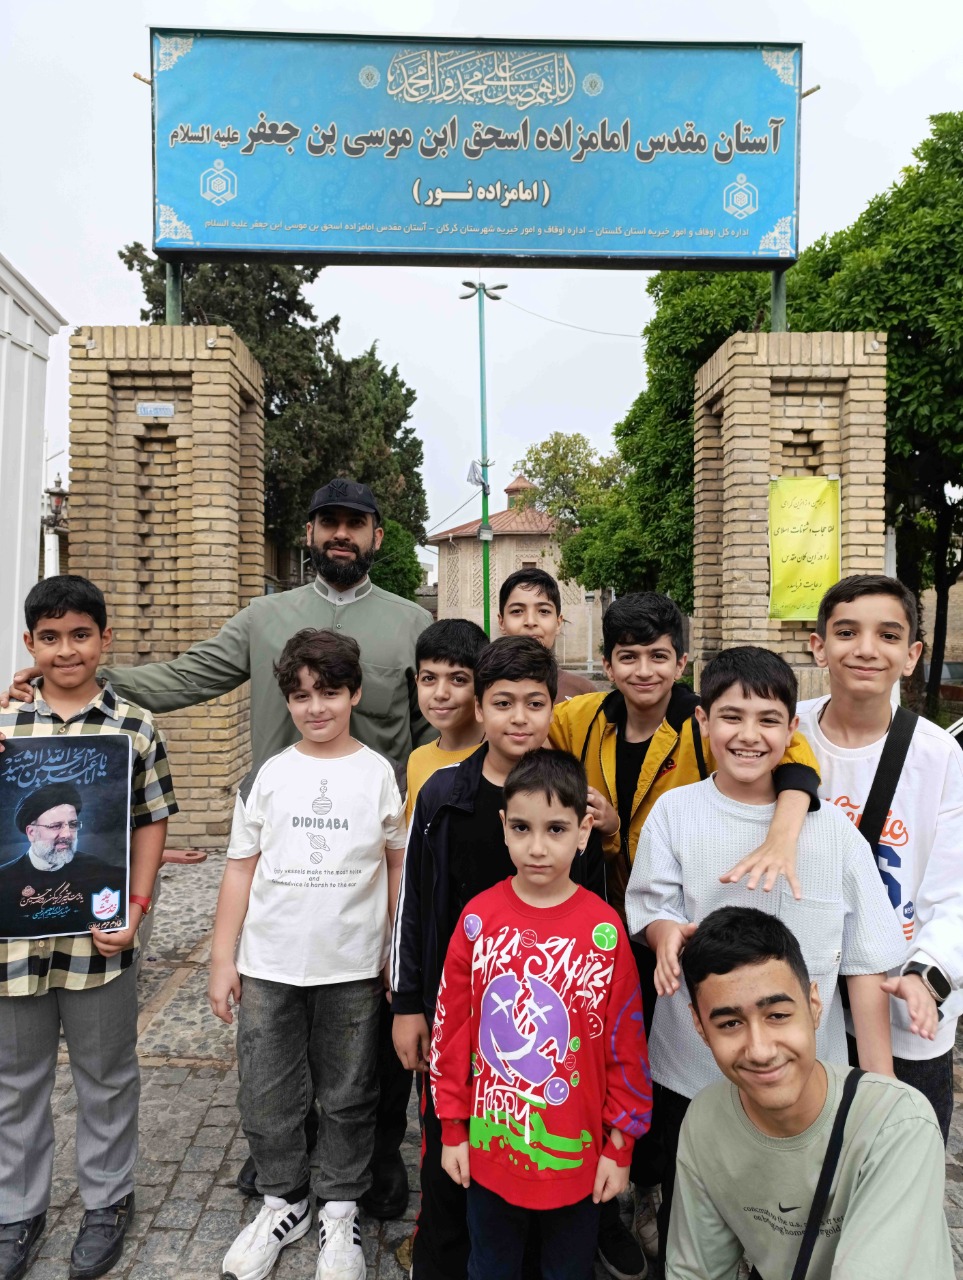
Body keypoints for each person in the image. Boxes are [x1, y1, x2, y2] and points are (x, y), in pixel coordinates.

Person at [4, 479, 430, 1217]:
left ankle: (376, 1152)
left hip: (369, 846)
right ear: (309, 532)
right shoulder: (264, 618)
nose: (341, 534)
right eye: (328, 522)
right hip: (275, 848)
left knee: (367, 999)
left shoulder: (412, 623)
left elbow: (433, 726)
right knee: (279, 1006)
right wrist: (76, 676)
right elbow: (185, 678)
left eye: (355, 524)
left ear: (377, 537)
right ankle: (283, 1150)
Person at [549, 593, 821, 1275]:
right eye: (628, 657)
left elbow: (793, 750)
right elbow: (516, 723)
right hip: (607, 917)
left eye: (659, 657)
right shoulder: (581, 718)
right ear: (607, 662)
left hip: (686, 924)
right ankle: (618, 1188)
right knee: (612, 1057)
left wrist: (786, 828)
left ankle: (667, 1189)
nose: (643, 671)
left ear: (682, 662)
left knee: (668, 1056)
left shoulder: (705, 721)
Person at [625, 645, 907, 1266]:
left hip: (807, 1080)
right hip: (690, 1069)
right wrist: (665, 935)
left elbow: (864, 963)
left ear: (791, 729)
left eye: (768, 720)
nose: (748, 735)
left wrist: (879, 1085)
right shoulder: (676, 811)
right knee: (691, 1218)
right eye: (731, 716)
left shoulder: (833, 833)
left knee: (798, 1223)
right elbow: (651, 903)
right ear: (703, 720)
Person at [390, 637, 604, 1280]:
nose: (519, 718)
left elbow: (594, 914)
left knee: (534, 1159)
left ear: (552, 708)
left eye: (535, 703)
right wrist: (408, 1004)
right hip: (457, 1021)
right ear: (479, 708)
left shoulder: (572, 799)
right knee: (449, 1159)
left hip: (544, 1030)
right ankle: (441, 1262)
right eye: (503, 703)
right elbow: (415, 905)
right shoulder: (443, 796)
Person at [210, 628, 406, 1280]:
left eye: (329, 692)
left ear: (354, 693)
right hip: (269, 966)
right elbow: (240, 868)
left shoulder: (380, 775)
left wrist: (395, 950)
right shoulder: (269, 776)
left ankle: (340, 1210)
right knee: (266, 1092)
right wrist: (222, 958)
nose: (315, 707)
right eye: (300, 696)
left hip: (352, 966)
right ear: (287, 701)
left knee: (349, 1094)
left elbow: (396, 866)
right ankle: (284, 1200)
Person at [0, 575, 176, 1280]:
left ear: (105, 638)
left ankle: (107, 1200)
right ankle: (18, 1209)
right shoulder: (5, 725)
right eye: (49, 637)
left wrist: (137, 907)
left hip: (99, 940)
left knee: (106, 1073)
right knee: (16, 1081)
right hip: (13, 944)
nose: (65, 650)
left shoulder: (135, 726)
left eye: (80, 635)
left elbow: (152, 820)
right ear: (29, 643)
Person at [431, 750, 651, 1280]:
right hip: (490, 1152)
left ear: (583, 831)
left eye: (556, 829)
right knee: (490, 1267)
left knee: (568, 1270)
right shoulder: (478, 919)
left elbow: (627, 1048)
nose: (536, 847)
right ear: (503, 826)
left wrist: (619, 1147)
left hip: (576, 1160)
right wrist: (453, 1129)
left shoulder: (604, 931)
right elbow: (451, 1033)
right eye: (522, 828)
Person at [667, 906, 954, 1280]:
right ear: (700, 1027)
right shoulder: (706, 1121)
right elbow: (696, 1270)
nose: (760, 1050)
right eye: (730, 1023)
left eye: (778, 1015)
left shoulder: (898, 1125)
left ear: (814, 1005)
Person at [798, 573, 963, 1143]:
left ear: (912, 655)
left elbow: (954, 889)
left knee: (900, 1157)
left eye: (888, 635)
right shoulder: (783, 731)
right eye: (847, 632)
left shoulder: (940, 756)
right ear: (819, 645)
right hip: (803, 1001)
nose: (866, 649)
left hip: (902, 1003)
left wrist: (927, 976)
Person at [1, 783, 127, 938]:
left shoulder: (100, 871)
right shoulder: (4, 879)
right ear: (32, 832)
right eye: (56, 826)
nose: (67, 834)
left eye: (72, 825)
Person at [405, 618, 489, 825]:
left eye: (458, 679)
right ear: (417, 682)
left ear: (482, 685)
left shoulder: (500, 757)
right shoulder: (417, 760)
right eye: (429, 679)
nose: (441, 693)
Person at [497, 567, 597, 702]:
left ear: (558, 623)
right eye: (517, 611)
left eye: (544, 611)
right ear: (502, 622)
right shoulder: (483, 688)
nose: (530, 622)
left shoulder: (583, 693)